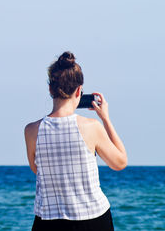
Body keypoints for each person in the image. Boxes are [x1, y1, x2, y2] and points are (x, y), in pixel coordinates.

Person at [24, 52, 127, 231]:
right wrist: (106, 119)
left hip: (48, 221)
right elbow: (120, 162)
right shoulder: (91, 127)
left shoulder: (32, 130)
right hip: (92, 219)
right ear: (79, 91)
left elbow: (36, 169)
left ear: (50, 89)